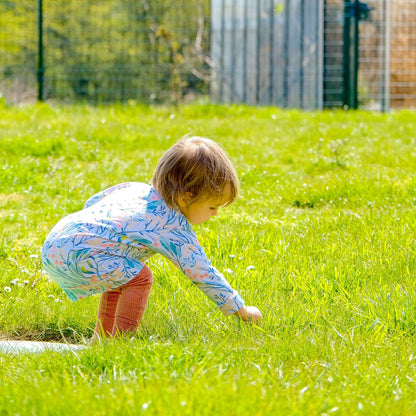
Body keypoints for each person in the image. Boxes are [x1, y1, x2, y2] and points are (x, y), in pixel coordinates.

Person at [41, 136, 262, 340]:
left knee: (124, 275)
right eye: (213, 206)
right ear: (186, 198)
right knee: (140, 277)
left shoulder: (135, 189)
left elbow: (93, 203)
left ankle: (102, 341)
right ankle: (120, 343)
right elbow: (202, 272)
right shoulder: (172, 226)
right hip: (77, 254)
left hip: (56, 242)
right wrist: (241, 310)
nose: (215, 214)